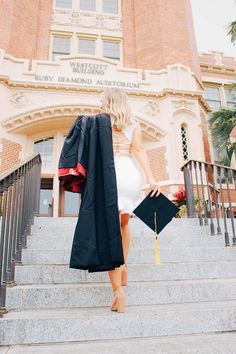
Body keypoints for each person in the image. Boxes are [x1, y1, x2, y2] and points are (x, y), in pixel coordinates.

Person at [100, 87, 161, 313]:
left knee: (109, 233)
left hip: (109, 175)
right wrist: (151, 177)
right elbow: (139, 150)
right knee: (124, 222)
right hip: (129, 173)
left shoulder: (100, 122)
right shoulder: (134, 123)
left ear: (108, 101)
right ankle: (123, 264)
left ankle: (118, 292)